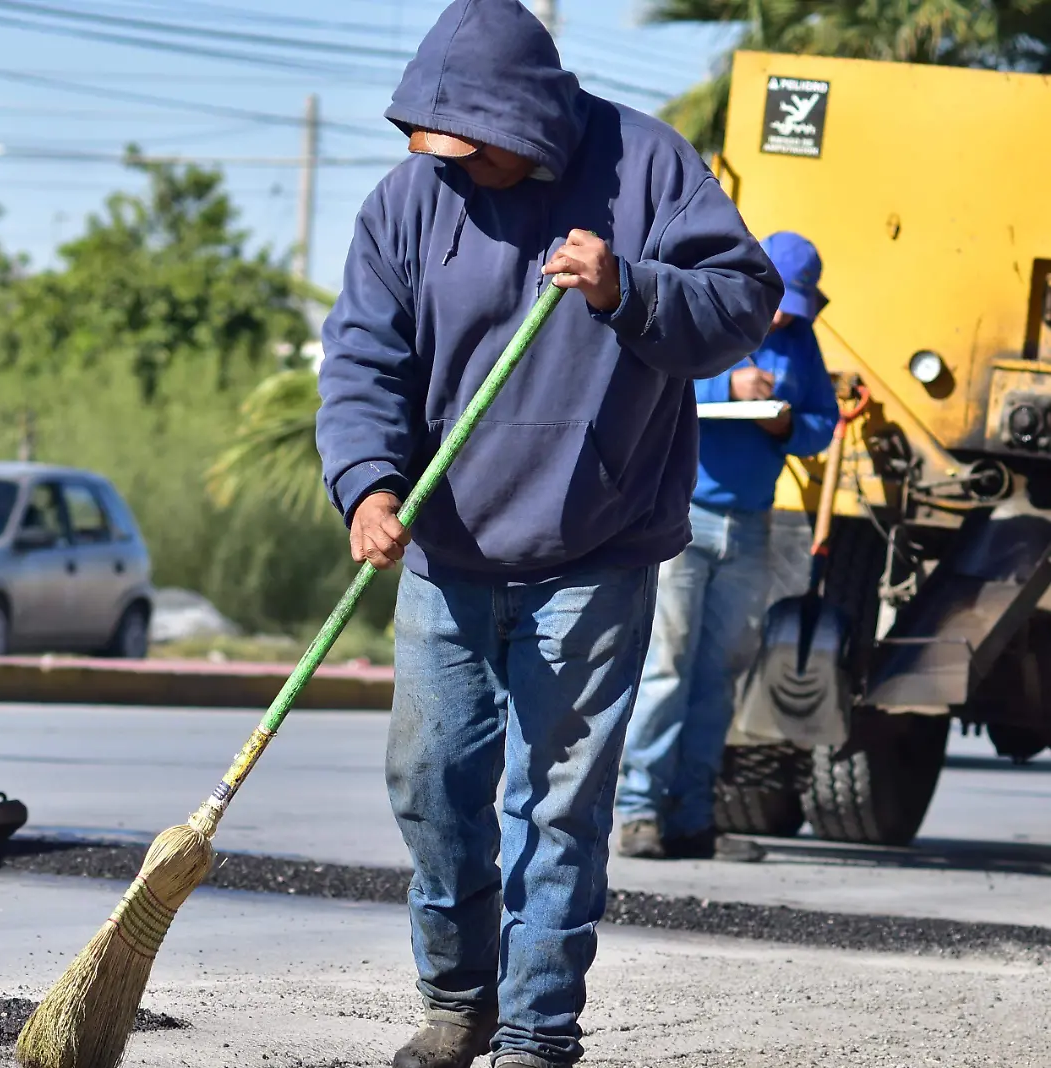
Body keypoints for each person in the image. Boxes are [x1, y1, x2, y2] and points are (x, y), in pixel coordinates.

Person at [314, 3, 782, 1066]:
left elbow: (743, 303)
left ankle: (535, 1026)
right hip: (444, 549)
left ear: (525, 116)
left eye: (474, 144)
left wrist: (629, 288)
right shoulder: (406, 203)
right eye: (438, 144)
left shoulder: (649, 168)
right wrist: (368, 488)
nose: (457, 164)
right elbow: (361, 363)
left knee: (556, 803)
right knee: (431, 785)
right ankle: (454, 997)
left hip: (593, 544)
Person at [615, 232, 839, 861]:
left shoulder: (800, 341)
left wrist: (786, 421)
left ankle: (693, 818)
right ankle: (639, 814)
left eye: (791, 307)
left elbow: (821, 423)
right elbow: (657, 382)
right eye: (776, 301)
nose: (778, 317)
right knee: (667, 667)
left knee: (719, 674)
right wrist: (727, 390)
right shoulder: (707, 312)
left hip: (750, 525)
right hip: (684, 516)